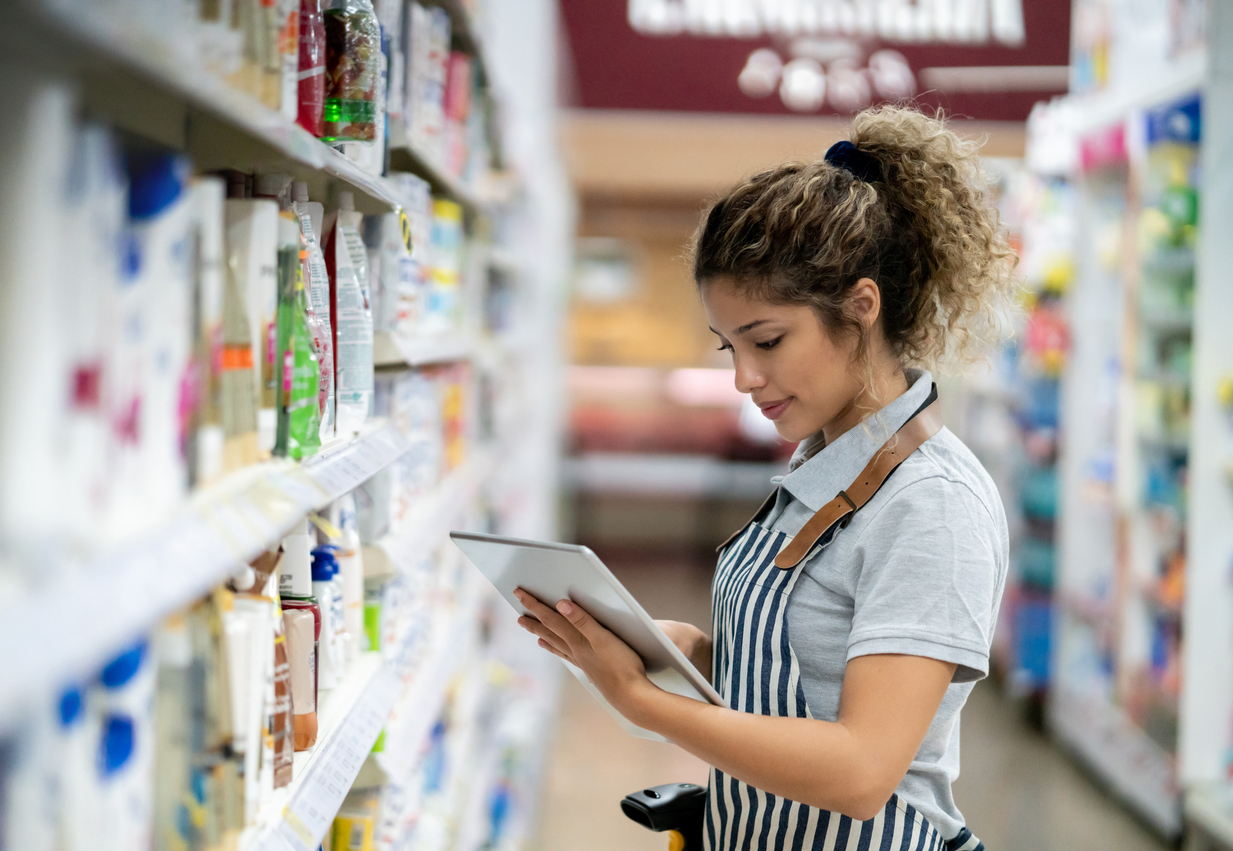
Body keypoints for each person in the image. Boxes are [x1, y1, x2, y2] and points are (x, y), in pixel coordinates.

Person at [515, 105, 1015, 851]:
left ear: (860, 306)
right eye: (728, 347)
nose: (745, 377)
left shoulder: (929, 504)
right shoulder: (821, 458)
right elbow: (816, 669)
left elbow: (860, 770)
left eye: (768, 341)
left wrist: (643, 702)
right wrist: (682, 651)